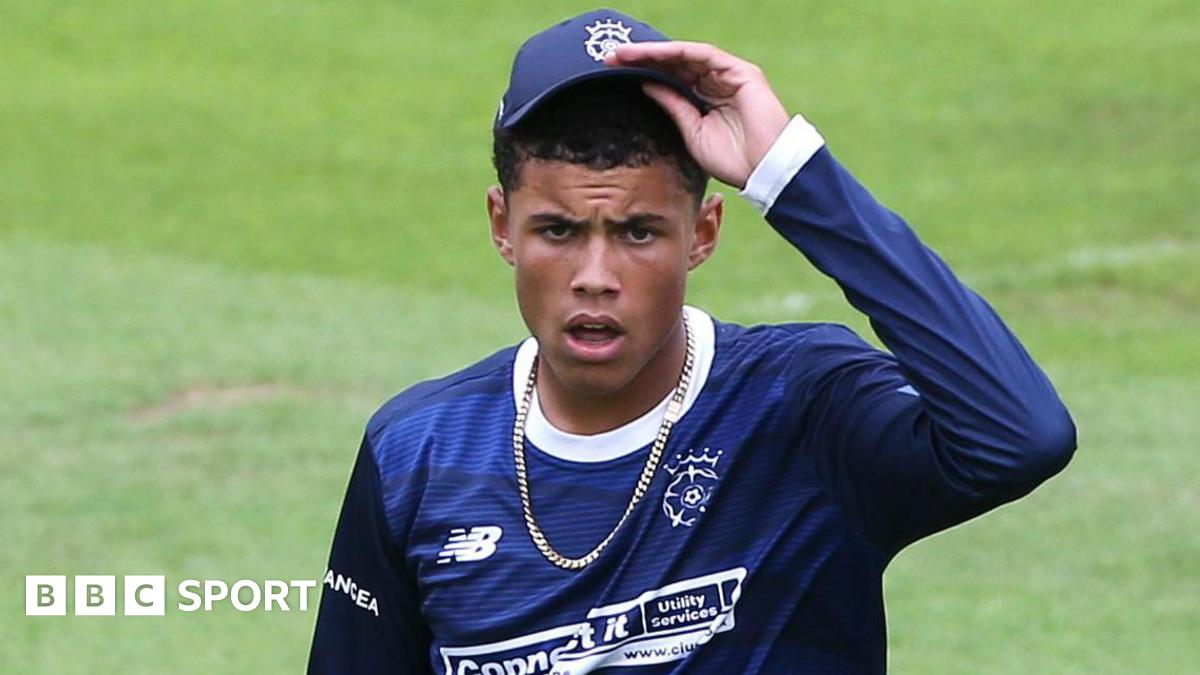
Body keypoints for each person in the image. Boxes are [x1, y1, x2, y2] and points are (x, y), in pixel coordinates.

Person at [307, 8, 1075, 674]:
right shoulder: (416, 456)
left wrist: (791, 176)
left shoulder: (801, 408)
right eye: (558, 231)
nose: (596, 275)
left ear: (702, 233)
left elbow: (1020, 436)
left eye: (639, 232)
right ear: (502, 227)